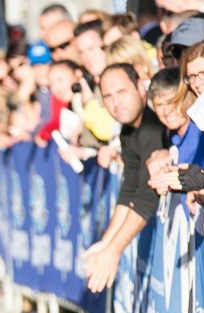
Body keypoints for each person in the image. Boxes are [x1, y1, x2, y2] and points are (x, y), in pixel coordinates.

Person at [82, 64, 170, 293]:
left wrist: (114, 250)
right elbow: (129, 188)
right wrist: (106, 242)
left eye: (122, 92)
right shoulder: (128, 131)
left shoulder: (152, 127)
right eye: (108, 96)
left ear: (141, 87)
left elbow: (145, 195)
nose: (115, 103)